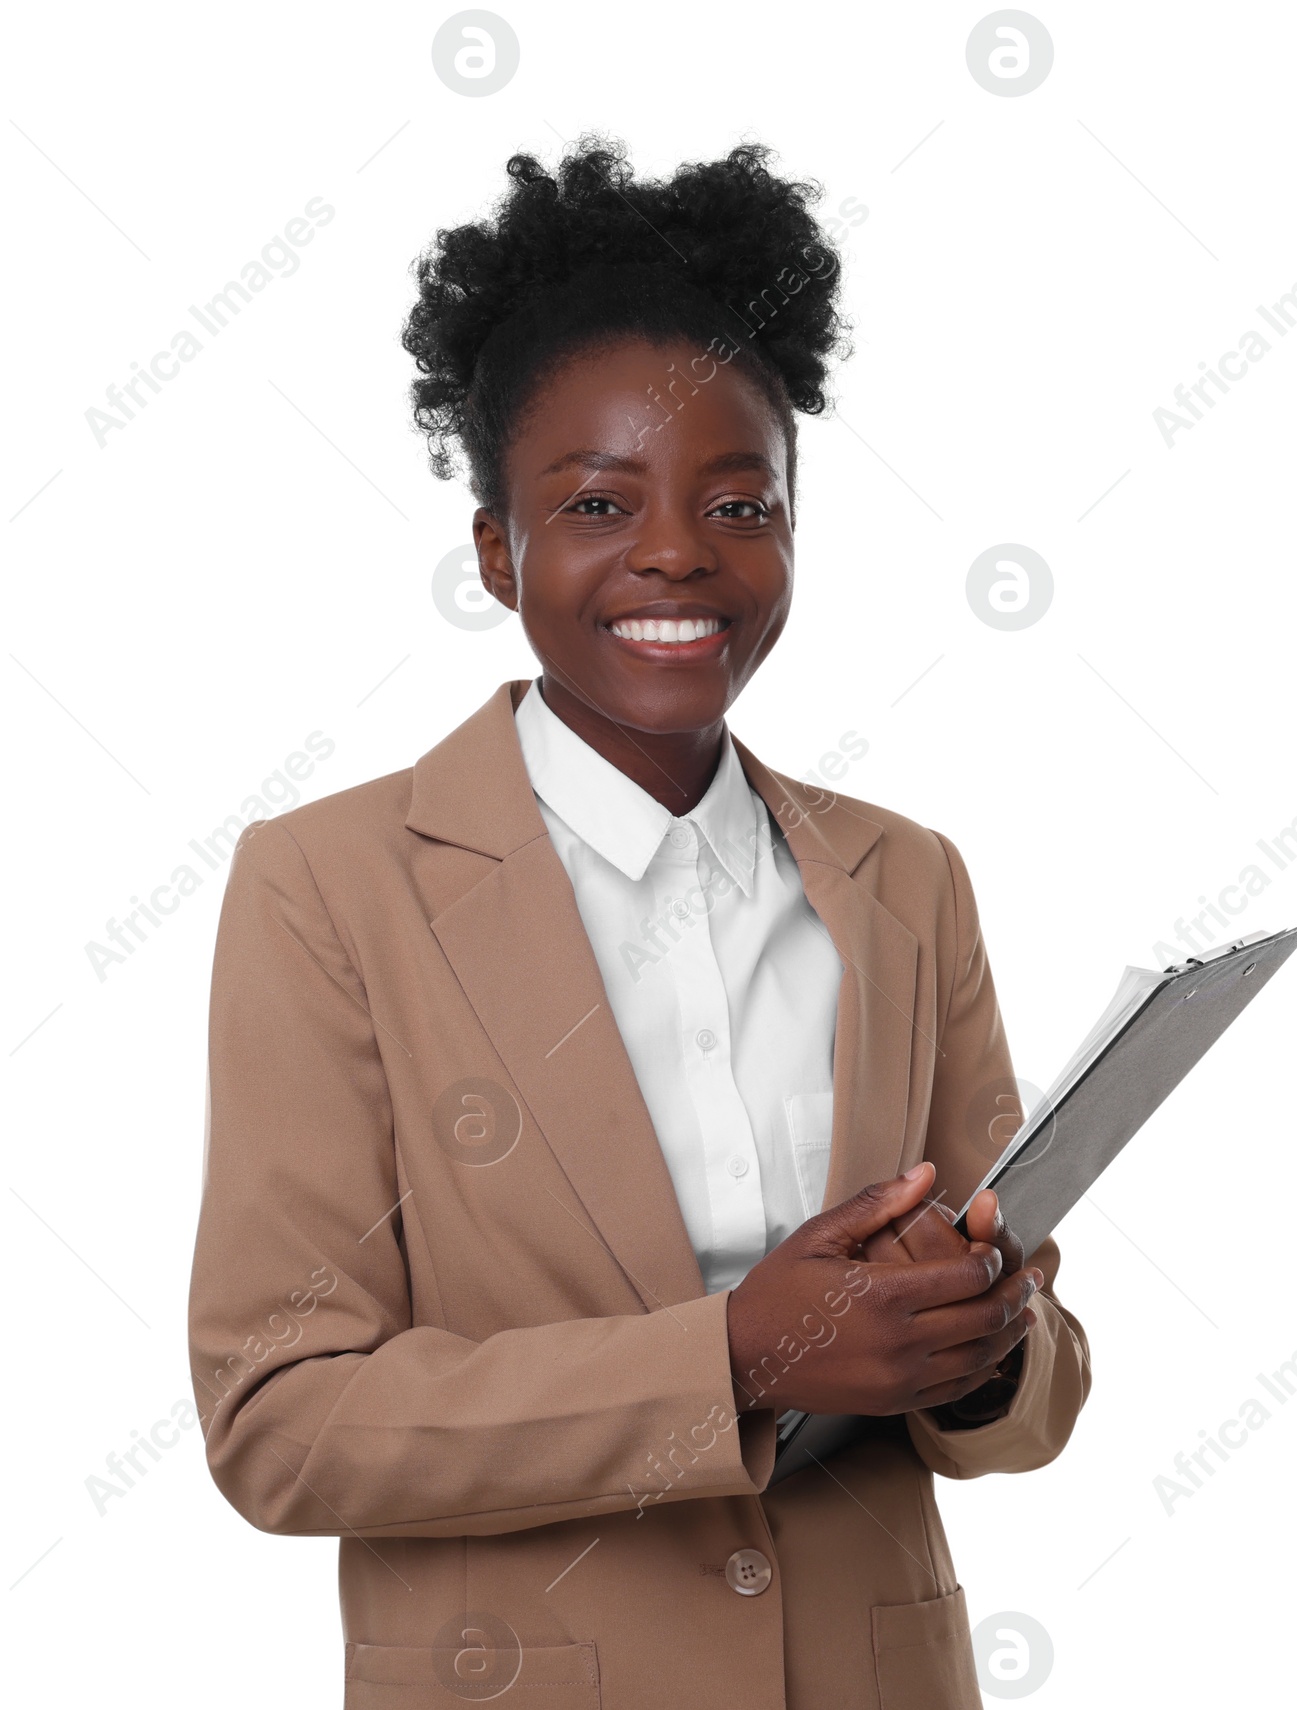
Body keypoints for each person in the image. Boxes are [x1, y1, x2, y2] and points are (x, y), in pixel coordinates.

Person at [187, 135, 1091, 1710]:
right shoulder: (328, 886)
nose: (679, 549)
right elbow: (281, 1418)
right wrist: (732, 1355)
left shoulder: (907, 880)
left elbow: (1036, 1392)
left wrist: (988, 1338)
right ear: (496, 550)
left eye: (740, 500)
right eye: (601, 500)